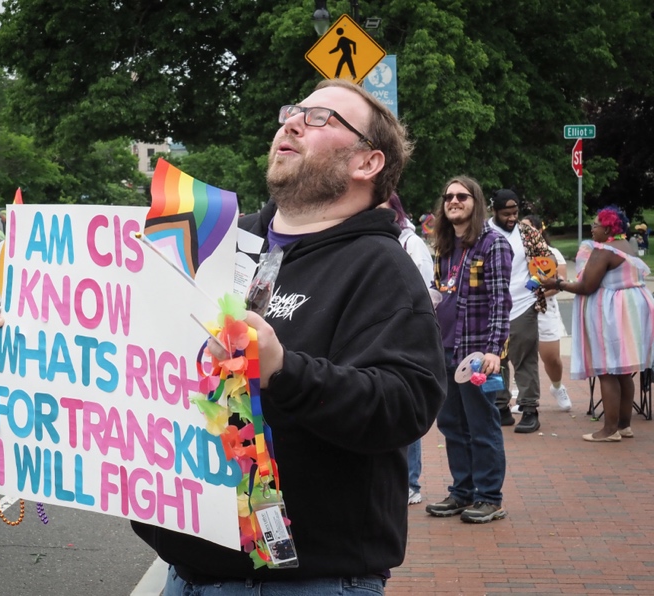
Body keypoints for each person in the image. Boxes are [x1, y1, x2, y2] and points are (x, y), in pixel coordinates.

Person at [137, 79, 448, 593]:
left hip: (305, 580)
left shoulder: (381, 268)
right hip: (187, 569)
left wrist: (284, 368)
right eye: (294, 111)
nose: (294, 121)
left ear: (366, 163)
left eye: (322, 117)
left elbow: (406, 405)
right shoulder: (219, 243)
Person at [425, 175, 513, 524]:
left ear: (475, 201)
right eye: (448, 196)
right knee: (451, 425)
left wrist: (494, 351)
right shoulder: (445, 246)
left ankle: (489, 497)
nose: (454, 201)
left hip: (476, 354)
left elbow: (500, 303)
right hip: (445, 349)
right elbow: (440, 292)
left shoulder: (493, 244)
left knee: (482, 425)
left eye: (462, 196)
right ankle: (462, 492)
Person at [541, 206, 654, 442]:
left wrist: (556, 283)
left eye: (596, 225)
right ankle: (624, 425)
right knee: (623, 371)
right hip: (632, 310)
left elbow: (586, 287)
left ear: (608, 228)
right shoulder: (628, 246)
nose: (592, 228)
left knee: (606, 370)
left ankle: (609, 430)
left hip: (611, 313)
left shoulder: (603, 251)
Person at [378, 192, 434, 506]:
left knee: (405, 409)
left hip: (408, 339)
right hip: (384, 337)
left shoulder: (411, 244)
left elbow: (424, 294)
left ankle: (411, 482)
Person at [488, 189, 552, 433]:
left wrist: (530, 286)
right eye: (507, 214)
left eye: (515, 213)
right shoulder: (483, 232)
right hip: (492, 307)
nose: (512, 217)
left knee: (524, 358)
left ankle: (528, 409)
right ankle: (501, 407)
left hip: (523, 305)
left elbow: (547, 265)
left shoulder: (528, 233)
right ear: (495, 211)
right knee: (496, 359)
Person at [513, 214, 572, 412]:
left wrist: (535, 295)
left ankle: (557, 387)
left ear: (539, 230)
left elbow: (559, 283)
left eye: (527, 228)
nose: (523, 232)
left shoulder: (551, 252)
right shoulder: (514, 250)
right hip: (519, 310)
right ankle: (525, 398)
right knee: (521, 357)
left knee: (551, 358)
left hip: (544, 310)